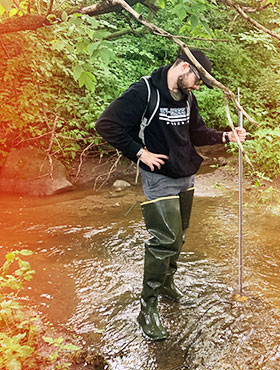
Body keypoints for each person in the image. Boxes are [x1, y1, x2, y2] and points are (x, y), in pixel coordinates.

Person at [95, 50, 246, 341]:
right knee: (163, 240)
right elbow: (107, 125)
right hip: (159, 177)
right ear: (185, 67)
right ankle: (147, 307)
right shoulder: (145, 91)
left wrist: (227, 136)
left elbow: (196, 132)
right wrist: (140, 153)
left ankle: (166, 286)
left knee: (179, 236)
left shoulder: (187, 96)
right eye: (198, 79)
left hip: (185, 174)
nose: (199, 86)